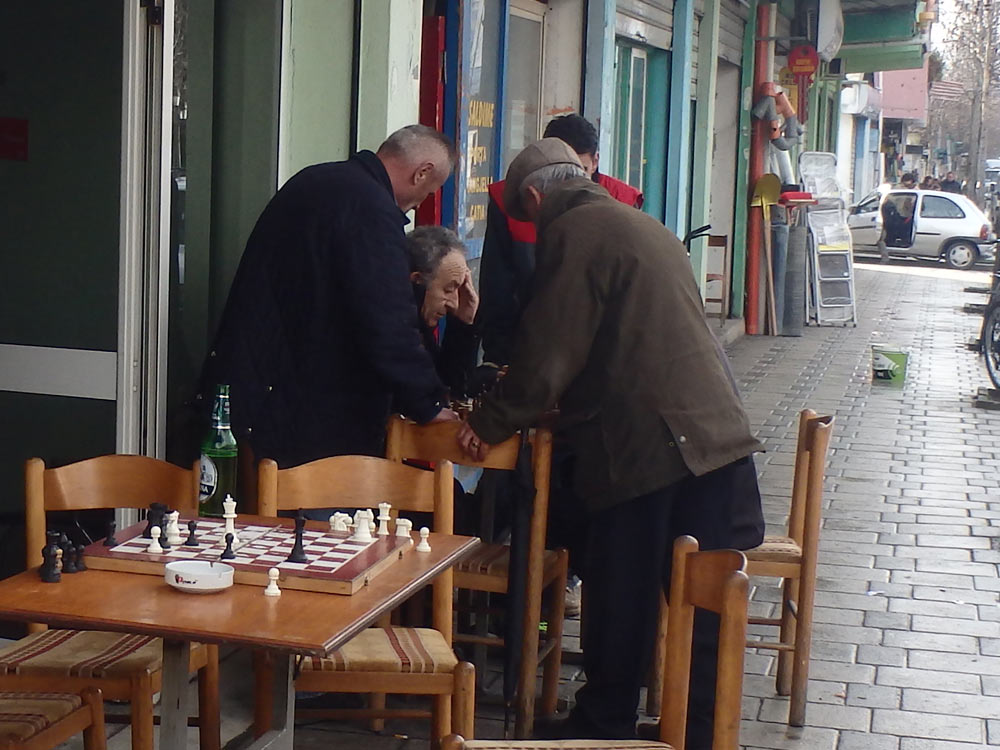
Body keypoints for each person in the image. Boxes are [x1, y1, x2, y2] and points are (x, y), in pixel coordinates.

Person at [456, 139, 765, 745]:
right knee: (702, 602)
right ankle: (702, 729)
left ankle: (605, 723)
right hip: (714, 436)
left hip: (649, 448)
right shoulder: (641, 225)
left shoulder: (576, 233)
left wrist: (489, 421)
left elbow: (549, 353)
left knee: (620, 592)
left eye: (525, 214)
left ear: (537, 197)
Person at [199, 125, 459, 471]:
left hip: (256, 396)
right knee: (324, 521)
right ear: (421, 172)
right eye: (429, 191)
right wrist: (426, 401)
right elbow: (388, 321)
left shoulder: (312, 182)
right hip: (316, 420)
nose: (418, 204)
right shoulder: (372, 212)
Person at [477, 113, 643, 369]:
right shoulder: (511, 198)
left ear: (595, 161)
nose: (568, 185)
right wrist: (497, 357)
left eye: (580, 172)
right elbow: (497, 288)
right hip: (527, 344)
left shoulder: (624, 201)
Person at [404, 226, 479, 397]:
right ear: (418, 281)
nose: (454, 304)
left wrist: (463, 324)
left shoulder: (421, 330)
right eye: (448, 289)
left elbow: (451, 389)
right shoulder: (394, 339)